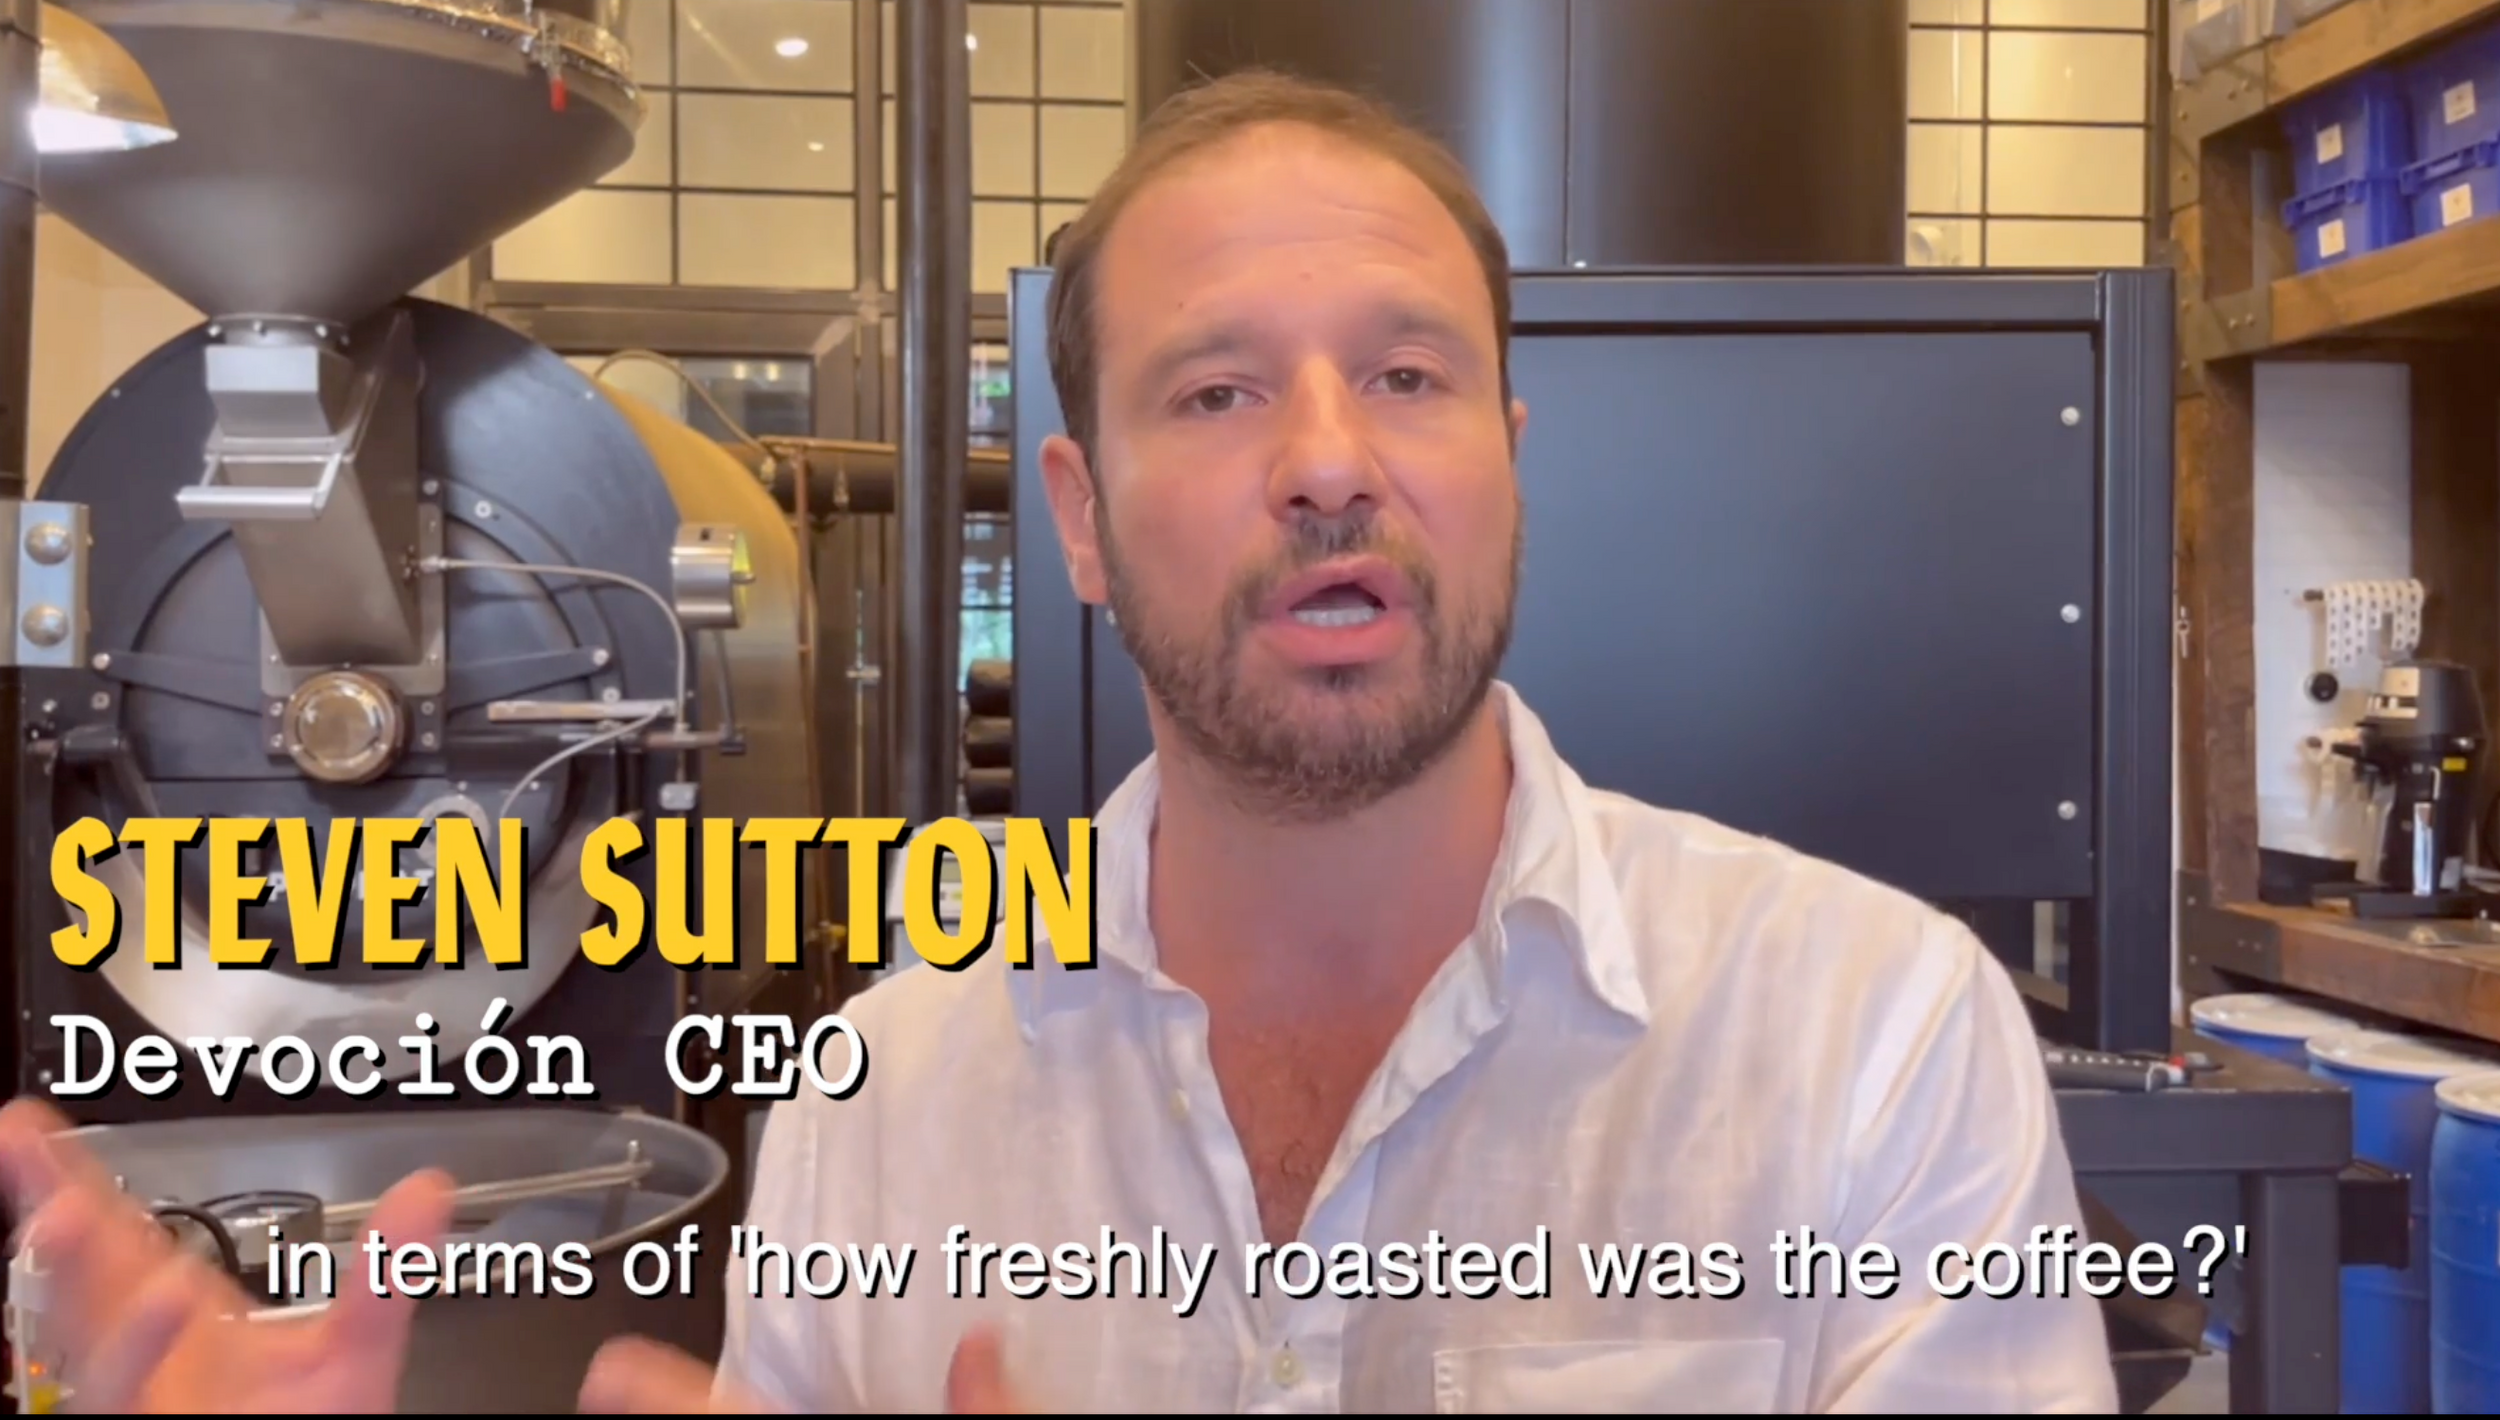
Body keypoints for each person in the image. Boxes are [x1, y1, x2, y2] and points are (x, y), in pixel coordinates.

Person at [0, 69, 2119, 1413]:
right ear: (1082, 523)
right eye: (1216, 391)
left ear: (1507, 459)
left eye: (1406, 376)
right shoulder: (884, 1104)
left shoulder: (1868, 1043)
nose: (1328, 462)